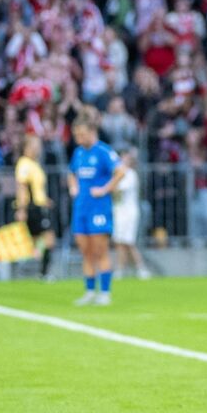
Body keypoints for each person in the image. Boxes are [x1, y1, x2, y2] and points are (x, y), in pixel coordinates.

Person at [69, 107, 126, 306]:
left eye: (81, 134)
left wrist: (105, 189)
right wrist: (73, 186)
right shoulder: (78, 153)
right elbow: (71, 172)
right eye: (76, 134)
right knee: (85, 251)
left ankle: (105, 292)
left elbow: (121, 171)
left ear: (92, 132)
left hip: (98, 208)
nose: (78, 138)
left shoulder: (103, 152)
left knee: (100, 250)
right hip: (81, 207)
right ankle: (89, 291)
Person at [15, 134, 56, 280]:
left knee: (37, 240)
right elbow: (22, 186)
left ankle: (37, 271)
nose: (38, 148)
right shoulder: (24, 163)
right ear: (28, 147)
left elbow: (37, 188)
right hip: (32, 207)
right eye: (35, 145)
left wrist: (45, 200)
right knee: (47, 238)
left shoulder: (34, 163)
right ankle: (42, 272)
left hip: (39, 205)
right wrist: (21, 209)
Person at [112, 148, 150, 280]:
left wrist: (108, 186)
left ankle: (140, 268)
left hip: (129, 212)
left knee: (128, 241)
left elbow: (116, 189)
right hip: (119, 210)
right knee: (119, 241)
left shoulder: (130, 174)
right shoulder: (117, 174)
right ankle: (122, 269)